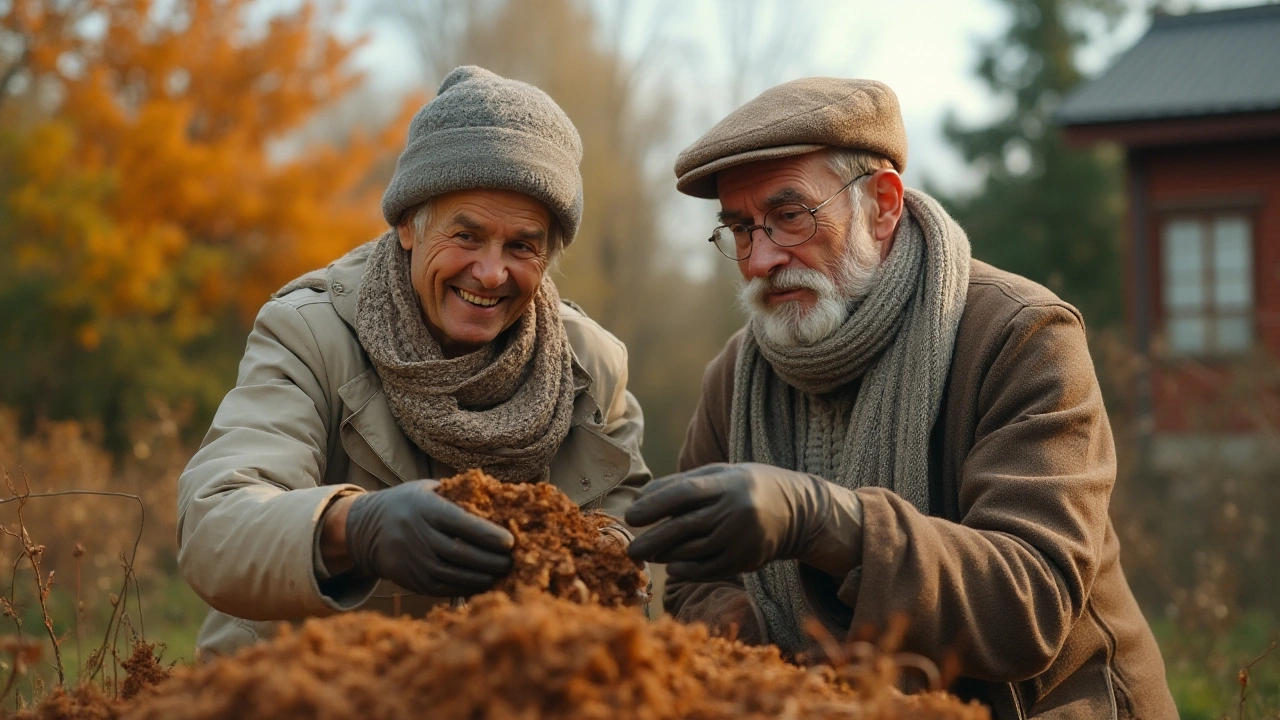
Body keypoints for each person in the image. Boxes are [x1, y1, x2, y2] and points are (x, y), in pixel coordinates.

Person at [624, 77, 1175, 719]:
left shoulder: (1022, 336)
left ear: (883, 204)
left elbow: (1030, 601)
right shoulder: (734, 377)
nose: (760, 259)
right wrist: (766, 658)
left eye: (789, 216)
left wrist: (826, 523)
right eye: (741, 229)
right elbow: (694, 580)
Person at [177, 66, 650, 658]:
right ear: (408, 223)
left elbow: (630, 543)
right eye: (467, 235)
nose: (490, 272)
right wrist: (356, 528)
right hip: (300, 687)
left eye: (522, 246)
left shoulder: (591, 367)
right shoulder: (310, 334)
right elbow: (214, 525)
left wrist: (599, 562)